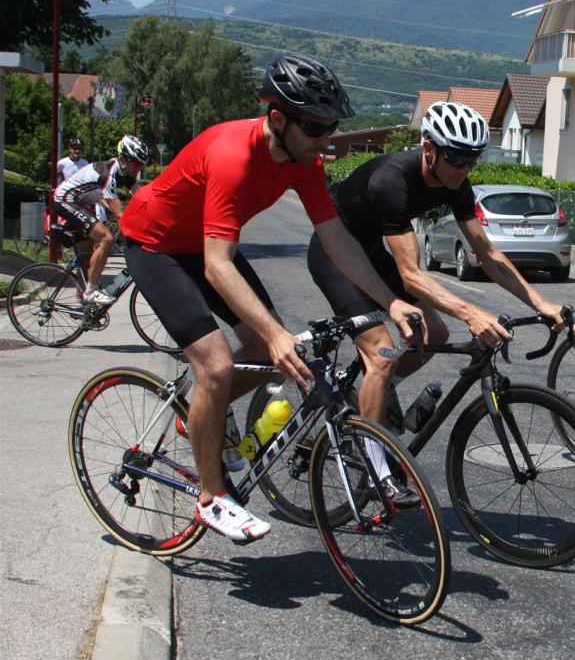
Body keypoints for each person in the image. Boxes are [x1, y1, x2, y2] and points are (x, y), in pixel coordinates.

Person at [119, 53, 424, 543]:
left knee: (263, 350)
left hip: (203, 245)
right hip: (155, 245)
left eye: (332, 126)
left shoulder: (304, 162)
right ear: (278, 119)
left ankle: (200, 412)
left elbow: (336, 238)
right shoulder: (232, 156)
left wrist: (389, 301)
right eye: (316, 127)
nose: (326, 138)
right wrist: (277, 332)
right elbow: (218, 266)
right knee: (217, 363)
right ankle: (212, 498)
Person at [306, 100, 567, 470]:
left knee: (434, 333)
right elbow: (411, 274)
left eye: (472, 160)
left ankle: (375, 395)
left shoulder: (455, 183)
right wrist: (471, 314)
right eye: (456, 159)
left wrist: (540, 303)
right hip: (334, 253)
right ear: (429, 149)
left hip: (371, 252)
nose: (464, 169)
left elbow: (486, 253)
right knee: (380, 352)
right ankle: (375, 468)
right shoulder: (392, 180)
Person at [52, 135, 148, 304]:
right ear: (122, 159)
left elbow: (143, 198)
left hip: (82, 201)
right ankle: (90, 291)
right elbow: (120, 215)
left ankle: (82, 306)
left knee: (88, 258)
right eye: (136, 163)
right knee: (106, 238)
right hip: (65, 200)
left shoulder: (125, 172)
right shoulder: (109, 173)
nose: (139, 167)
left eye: (142, 164)